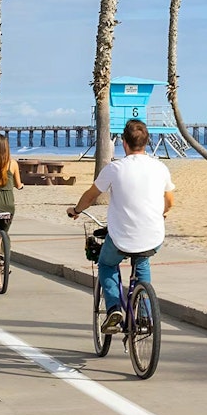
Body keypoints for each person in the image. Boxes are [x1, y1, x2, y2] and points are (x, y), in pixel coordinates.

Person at [67, 119, 175, 333]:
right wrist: (161, 214)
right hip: (153, 237)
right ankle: (144, 317)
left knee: (106, 265)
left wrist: (76, 211)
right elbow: (170, 201)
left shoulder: (114, 168)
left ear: (124, 142)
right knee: (142, 264)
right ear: (146, 142)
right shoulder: (160, 167)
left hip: (121, 239)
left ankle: (114, 308)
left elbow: (90, 196)